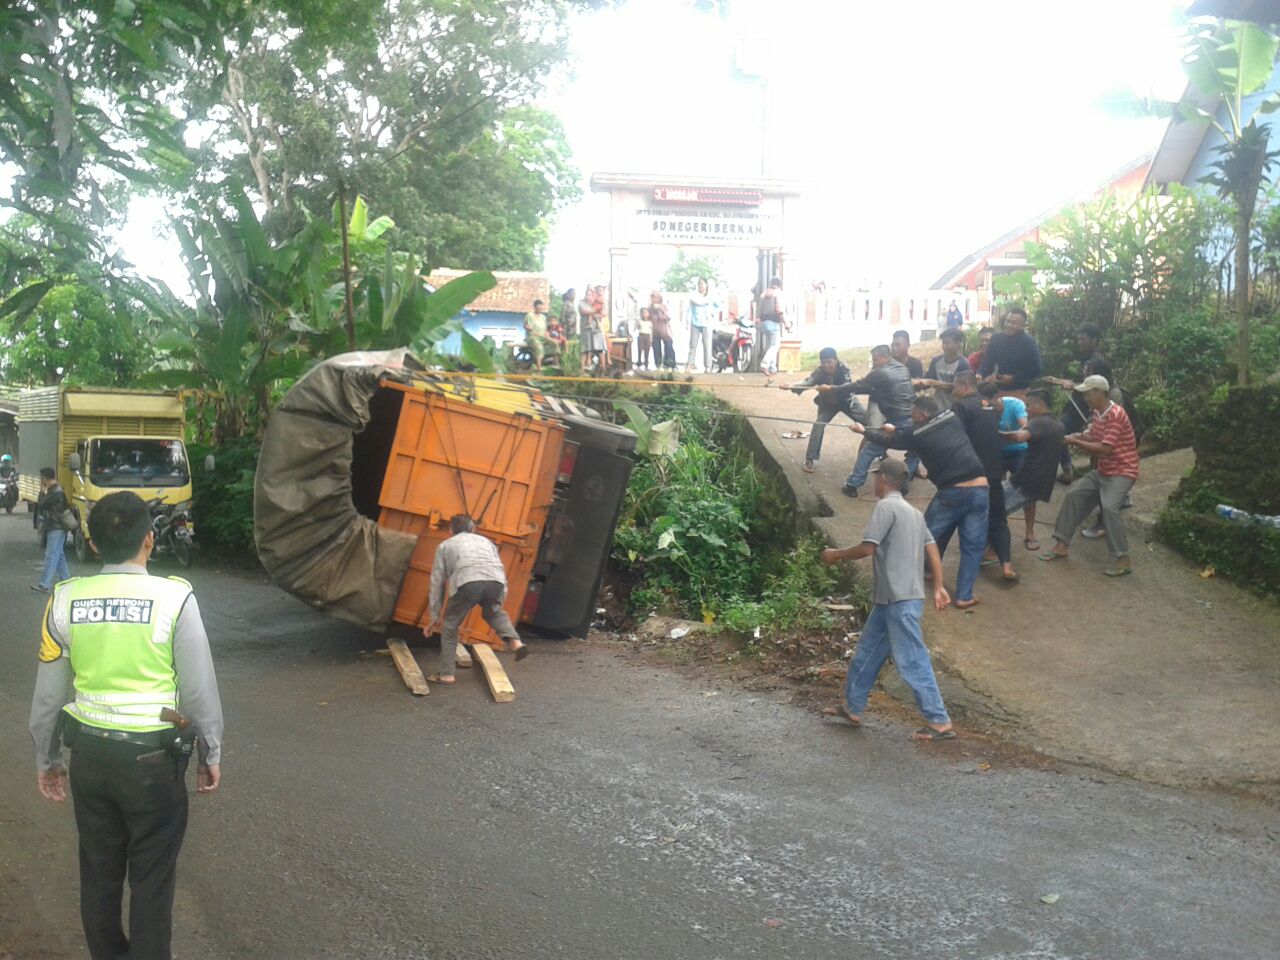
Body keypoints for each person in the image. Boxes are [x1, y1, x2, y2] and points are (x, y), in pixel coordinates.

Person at [29, 490, 223, 960]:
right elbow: (198, 690)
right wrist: (211, 751)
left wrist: (48, 758)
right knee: (152, 881)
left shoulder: (65, 598)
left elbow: (50, 695)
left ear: (93, 544)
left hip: (90, 758)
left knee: (98, 872)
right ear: (150, 540)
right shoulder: (175, 597)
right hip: (153, 761)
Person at [820, 457, 955, 741]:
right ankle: (853, 707)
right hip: (893, 599)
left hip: (899, 599)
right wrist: (939, 586)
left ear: (882, 478)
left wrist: (836, 554)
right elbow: (932, 549)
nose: (874, 482)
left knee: (912, 659)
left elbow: (868, 549)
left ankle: (939, 720)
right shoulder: (914, 513)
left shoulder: (885, 507)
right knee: (867, 653)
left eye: (875, 477)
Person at [849, 397, 990, 609]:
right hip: (980, 488)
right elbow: (909, 431)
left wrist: (863, 431)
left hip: (951, 490)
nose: (912, 420)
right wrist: (895, 427)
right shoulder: (951, 417)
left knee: (924, 534)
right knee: (973, 545)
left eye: (914, 416)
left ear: (923, 416)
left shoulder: (917, 434)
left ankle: (915, 576)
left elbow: (892, 442)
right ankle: (964, 595)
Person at [1040, 376, 1139, 576]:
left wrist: (1074, 442)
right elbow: (1093, 435)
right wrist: (1076, 436)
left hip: (1122, 471)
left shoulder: (1115, 414)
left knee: (1110, 508)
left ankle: (1123, 558)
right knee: (1073, 494)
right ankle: (1061, 544)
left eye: (1088, 393)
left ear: (1100, 393)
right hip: (1104, 470)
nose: (1085, 397)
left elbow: (1105, 449)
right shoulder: (1097, 412)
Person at [426, 514, 528, 684]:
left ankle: (446, 674)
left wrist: (435, 616)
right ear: (472, 528)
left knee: (450, 625)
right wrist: (500, 597)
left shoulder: (445, 546)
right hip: (496, 581)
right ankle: (516, 643)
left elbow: (437, 581)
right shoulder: (486, 542)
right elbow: (499, 567)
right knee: (494, 614)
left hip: (468, 581)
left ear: (451, 530)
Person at [821, 345, 920, 494]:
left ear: (885, 357)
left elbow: (858, 385)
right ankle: (903, 483)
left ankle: (853, 484)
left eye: (876, 359)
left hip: (895, 421)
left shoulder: (880, 373)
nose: (874, 363)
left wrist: (831, 388)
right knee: (915, 451)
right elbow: (869, 388)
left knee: (869, 450)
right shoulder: (902, 368)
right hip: (913, 419)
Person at [951, 372, 1016, 581]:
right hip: (994, 471)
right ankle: (1007, 566)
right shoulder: (990, 404)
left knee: (958, 518)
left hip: (972, 473)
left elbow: (957, 439)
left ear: (964, 385)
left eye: (955, 386)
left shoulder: (961, 407)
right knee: (998, 518)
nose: (953, 391)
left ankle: (930, 568)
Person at [779, 347, 867, 473]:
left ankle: (881, 452)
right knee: (818, 425)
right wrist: (791, 386)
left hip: (847, 402)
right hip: (829, 404)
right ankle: (810, 459)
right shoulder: (819, 372)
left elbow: (847, 387)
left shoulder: (844, 369)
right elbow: (808, 382)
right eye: (823, 362)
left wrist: (830, 388)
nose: (826, 365)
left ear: (836, 361)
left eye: (829, 361)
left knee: (870, 424)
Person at [1002, 389, 1065, 552]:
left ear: (1041, 404)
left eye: (1028, 405)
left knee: (995, 510)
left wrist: (998, 434)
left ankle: (994, 550)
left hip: (1026, 480)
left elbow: (1019, 437)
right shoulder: (1057, 423)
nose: (1026, 409)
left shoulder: (1038, 422)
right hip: (1041, 481)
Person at [978, 307, 1042, 392]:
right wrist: (980, 374)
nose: (1009, 325)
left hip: (1021, 389)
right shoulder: (996, 339)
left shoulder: (1029, 342)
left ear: (1023, 325)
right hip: (998, 388)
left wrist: (1014, 378)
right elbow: (987, 362)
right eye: (1007, 321)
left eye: (1013, 323)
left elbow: (1037, 369)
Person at [33, 466, 72, 593]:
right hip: (58, 527)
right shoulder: (55, 490)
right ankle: (66, 581)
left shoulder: (55, 491)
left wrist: (40, 491)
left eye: (41, 478)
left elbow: (41, 505)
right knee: (59, 555)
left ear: (45, 478)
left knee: (51, 555)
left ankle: (44, 584)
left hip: (56, 527)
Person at [914, 327, 970, 411]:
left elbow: (956, 388)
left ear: (958, 344)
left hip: (955, 407)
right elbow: (929, 379)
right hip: (938, 406)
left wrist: (931, 382)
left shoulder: (963, 364)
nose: (944, 346)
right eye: (943, 343)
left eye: (948, 343)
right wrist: (920, 383)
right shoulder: (936, 361)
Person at [758, 276, 788, 375]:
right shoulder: (778, 294)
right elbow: (779, 310)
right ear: (780, 284)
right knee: (775, 345)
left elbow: (758, 309)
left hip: (764, 323)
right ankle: (764, 365)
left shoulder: (763, 294)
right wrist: (785, 323)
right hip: (774, 322)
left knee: (771, 345)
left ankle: (772, 368)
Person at [686, 277, 716, 373]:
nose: (700, 285)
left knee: (707, 345)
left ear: (706, 285)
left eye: (702, 283)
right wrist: (687, 322)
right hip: (695, 323)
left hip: (707, 324)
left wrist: (712, 313)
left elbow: (719, 305)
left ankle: (708, 367)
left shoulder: (711, 296)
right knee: (692, 345)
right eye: (699, 284)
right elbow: (689, 309)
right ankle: (690, 365)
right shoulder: (693, 296)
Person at [998, 390, 1029, 475]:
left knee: (1020, 480)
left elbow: (1025, 427)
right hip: (997, 449)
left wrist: (1005, 435)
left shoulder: (1016, 404)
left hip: (1019, 448)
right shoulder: (984, 408)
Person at [523, 298, 552, 372]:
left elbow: (545, 329)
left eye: (541, 307)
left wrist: (547, 334)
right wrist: (528, 327)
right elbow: (525, 325)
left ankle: (555, 365)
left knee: (554, 343)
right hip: (532, 337)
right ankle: (539, 368)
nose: (540, 309)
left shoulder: (543, 317)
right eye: (538, 307)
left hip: (542, 336)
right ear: (535, 307)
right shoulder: (530, 315)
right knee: (539, 346)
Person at [649, 291, 675, 370]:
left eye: (655, 296)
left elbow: (668, 317)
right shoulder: (649, 308)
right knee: (656, 349)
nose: (654, 298)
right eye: (652, 296)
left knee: (668, 348)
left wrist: (660, 310)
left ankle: (670, 366)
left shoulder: (664, 306)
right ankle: (658, 366)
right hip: (655, 331)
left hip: (665, 331)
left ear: (659, 297)